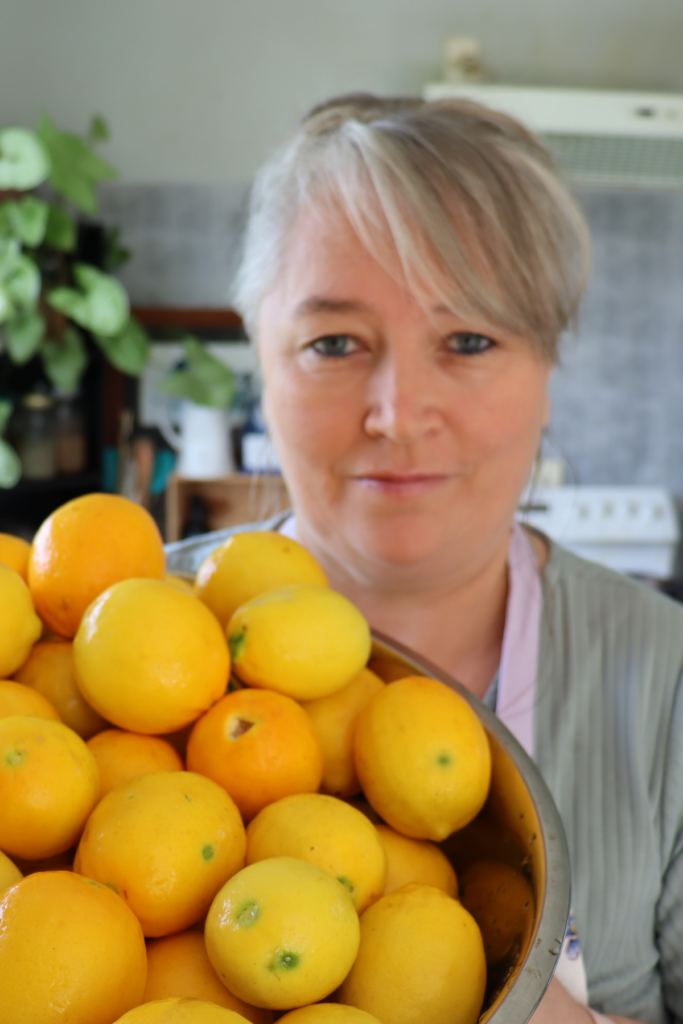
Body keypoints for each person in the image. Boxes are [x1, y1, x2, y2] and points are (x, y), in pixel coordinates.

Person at [167, 93, 683, 1024]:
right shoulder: (101, 635)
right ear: (260, 358)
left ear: (548, 369)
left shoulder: (667, 687)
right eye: (333, 343)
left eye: (469, 340)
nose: (397, 413)